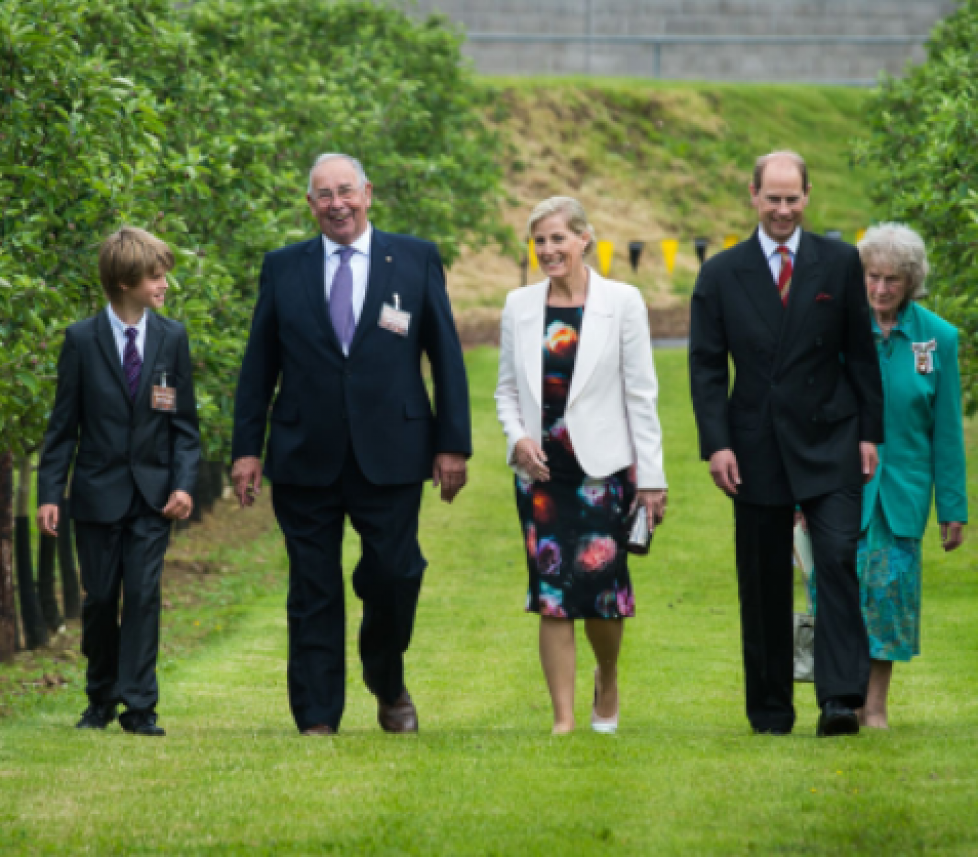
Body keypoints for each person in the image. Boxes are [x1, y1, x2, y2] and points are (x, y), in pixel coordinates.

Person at [231, 153, 471, 737]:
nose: (337, 204)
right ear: (309, 204)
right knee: (311, 587)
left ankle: (387, 681)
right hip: (303, 452)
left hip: (393, 450)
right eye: (323, 195)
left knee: (394, 574)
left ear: (368, 192)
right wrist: (246, 449)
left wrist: (452, 444)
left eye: (346, 191)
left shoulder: (413, 259)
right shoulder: (282, 267)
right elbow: (258, 365)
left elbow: (446, 355)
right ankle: (316, 716)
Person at [688, 151, 884, 737]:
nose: (782, 209)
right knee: (764, 577)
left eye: (792, 198)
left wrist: (870, 432)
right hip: (754, 449)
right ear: (752, 196)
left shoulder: (840, 261)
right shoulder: (721, 273)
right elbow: (704, 368)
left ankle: (840, 701)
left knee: (836, 563)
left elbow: (861, 355)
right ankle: (771, 709)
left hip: (832, 440)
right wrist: (717, 445)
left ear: (807, 197)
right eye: (771, 198)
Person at [495, 196, 667, 735]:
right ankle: (564, 719)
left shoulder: (623, 301)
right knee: (552, 595)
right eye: (540, 241)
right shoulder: (519, 306)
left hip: (604, 475)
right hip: (542, 476)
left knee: (599, 597)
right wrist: (518, 437)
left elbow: (642, 395)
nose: (548, 250)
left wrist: (652, 478)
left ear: (583, 238)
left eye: (558, 239)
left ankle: (608, 676)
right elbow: (505, 390)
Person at [36, 226, 200, 737]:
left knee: (145, 595)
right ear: (125, 282)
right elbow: (62, 428)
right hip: (97, 496)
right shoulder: (81, 341)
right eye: (156, 276)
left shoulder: (172, 338)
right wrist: (49, 494)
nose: (165, 285)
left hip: (154, 499)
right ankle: (100, 699)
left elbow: (186, 429)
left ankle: (141, 707)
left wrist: (184, 485)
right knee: (102, 599)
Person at [820, 223, 967, 729]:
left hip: (902, 493)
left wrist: (953, 509)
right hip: (837, 488)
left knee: (889, 599)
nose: (880, 289)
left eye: (892, 280)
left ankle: (874, 708)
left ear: (911, 282)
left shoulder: (939, 338)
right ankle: (841, 701)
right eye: (871, 277)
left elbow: (947, 431)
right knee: (840, 597)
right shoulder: (833, 330)